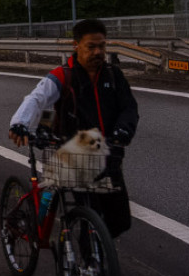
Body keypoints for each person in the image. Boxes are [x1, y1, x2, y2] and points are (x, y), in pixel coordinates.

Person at [8, 18, 139, 237]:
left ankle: (100, 252)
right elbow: (37, 99)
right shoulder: (63, 75)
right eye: (91, 46)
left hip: (109, 153)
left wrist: (123, 130)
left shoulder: (113, 75)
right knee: (89, 213)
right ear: (76, 45)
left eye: (102, 46)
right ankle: (88, 262)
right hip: (72, 152)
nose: (98, 52)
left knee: (120, 221)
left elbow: (129, 108)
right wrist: (20, 124)